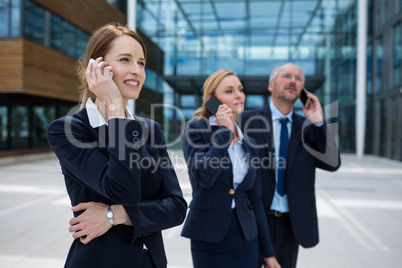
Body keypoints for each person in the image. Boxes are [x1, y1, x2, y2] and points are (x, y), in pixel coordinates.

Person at [47, 22, 187, 268]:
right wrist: (113, 105)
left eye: (141, 63)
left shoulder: (150, 130)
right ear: (97, 67)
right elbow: (123, 190)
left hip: (151, 261)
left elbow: (176, 207)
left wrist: (116, 215)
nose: (137, 70)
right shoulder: (69, 130)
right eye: (125, 60)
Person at [240, 63, 341, 268]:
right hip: (255, 219)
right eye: (287, 76)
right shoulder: (247, 121)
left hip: (292, 223)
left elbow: (333, 163)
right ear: (271, 85)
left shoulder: (308, 127)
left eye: (298, 78)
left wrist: (319, 123)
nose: (293, 81)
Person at [180, 69, 280, 268]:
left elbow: (256, 201)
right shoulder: (196, 129)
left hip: (245, 237)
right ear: (211, 100)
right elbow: (203, 176)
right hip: (209, 237)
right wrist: (224, 133)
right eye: (229, 90)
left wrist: (268, 253)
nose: (239, 95)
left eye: (240, 89)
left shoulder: (249, 142)